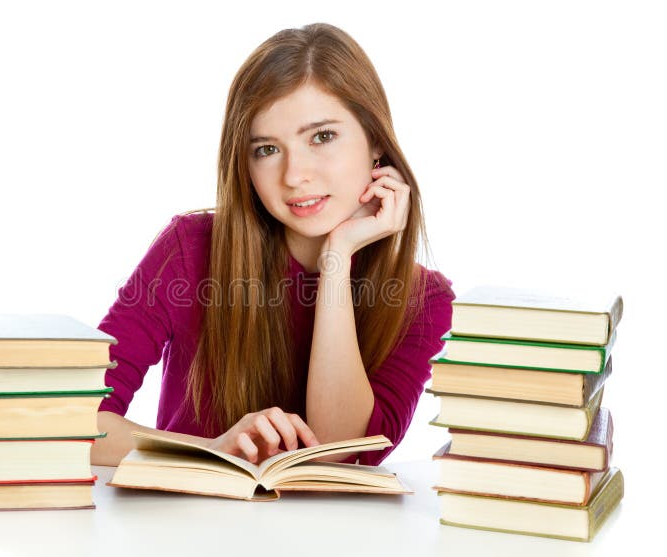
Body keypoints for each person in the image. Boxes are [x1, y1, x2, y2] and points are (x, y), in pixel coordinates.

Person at [91, 22, 455, 468]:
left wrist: (337, 258)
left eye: (322, 137)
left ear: (376, 140)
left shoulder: (422, 300)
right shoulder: (188, 250)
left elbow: (337, 451)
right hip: (186, 531)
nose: (294, 175)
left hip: (339, 539)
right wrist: (211, 451)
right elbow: (77, 418)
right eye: (266, 149)